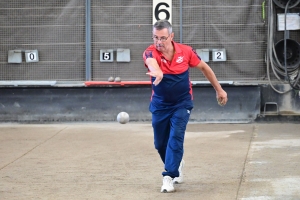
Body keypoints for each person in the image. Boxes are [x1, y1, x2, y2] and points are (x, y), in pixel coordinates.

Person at [142, 19, 228, 193]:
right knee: (160, 144)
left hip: (182, 103)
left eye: (163, 38)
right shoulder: (150, 52)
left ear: (171, 36)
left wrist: (219, 90)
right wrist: (157, 71)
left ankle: (168, 176)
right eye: (155, 38)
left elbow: (205, 68)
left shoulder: (186, 51)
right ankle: (177, 162)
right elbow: (152, 63)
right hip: (160, 105)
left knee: (176, 137)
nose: (159, 42)